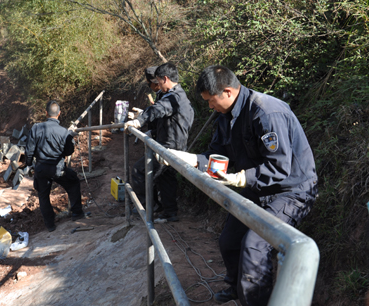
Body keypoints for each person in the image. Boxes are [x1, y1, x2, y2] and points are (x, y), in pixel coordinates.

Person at [160, 65, 318, 305]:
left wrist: (240, 178)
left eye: (211, 101)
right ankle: (236, 288)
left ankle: (254, 301)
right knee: (229, 242)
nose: (210, 106)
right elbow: (217, 156)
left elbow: (279, 167)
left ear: (228, 91)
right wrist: (189, 159)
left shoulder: (266, 112)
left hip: (290, 191)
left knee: (254, 246)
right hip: (259, 187)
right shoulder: (226, 117)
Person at [125, 62, 194, 222]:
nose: (157, 85)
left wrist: (139, 121)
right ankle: (170, 212)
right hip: (174, 146)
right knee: (166, 178)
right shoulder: (178, 95)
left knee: (139, 171)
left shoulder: (173, 98)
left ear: (165, 79)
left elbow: (158, 109)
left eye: (158, 81)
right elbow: (165, 118)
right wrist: (152, 129)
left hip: (168, 148)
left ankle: (149, 208)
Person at [24, 100, 85, 232]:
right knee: (73, 182)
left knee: (43, 195)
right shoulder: (64, 132)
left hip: (41, 169)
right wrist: (70, 140)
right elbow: (69, 151)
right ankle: (77, 213)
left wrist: (28, 164)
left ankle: (50, 225)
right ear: (59, 114)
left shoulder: (36, 128)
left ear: (46, 113)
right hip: (57, 169)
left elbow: (29, 150)